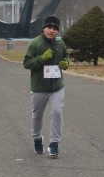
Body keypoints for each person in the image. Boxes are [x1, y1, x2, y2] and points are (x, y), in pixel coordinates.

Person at [23, 15, 70, 158]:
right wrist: (41, 59)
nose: (52, 30)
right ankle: (37, 138)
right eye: (49, 27)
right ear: (43, 28)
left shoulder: (60, 44)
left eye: (55, 28)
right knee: (37, 116)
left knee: (57, 113)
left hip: (57, 87)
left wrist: (66, 64)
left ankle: (54, 144)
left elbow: (66, 57)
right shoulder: (35, 44)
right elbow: (27, 63)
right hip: (39, 87)